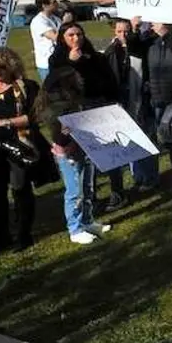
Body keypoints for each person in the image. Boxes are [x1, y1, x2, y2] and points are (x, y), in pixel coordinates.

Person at [0, 48, 51, 254]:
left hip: (19, 146)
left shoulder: (26, 87)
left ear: (10, 65)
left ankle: (23, 234)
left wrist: (2, 122)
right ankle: (0, 236)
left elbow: (36, 117)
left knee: (20, 188)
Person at [36, 66, 112, 245]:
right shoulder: (57, 105)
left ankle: (87, 220)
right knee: (74, 190)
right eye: (74, 77)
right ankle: (75, 228)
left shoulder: (73, 99)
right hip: (69, 153)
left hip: (82, 148)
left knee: (87, 187)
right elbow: (58, 134)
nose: (80, 79)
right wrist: (64, 138)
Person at [102, 18, 159, 211]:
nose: (122, 35)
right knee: (128, 139)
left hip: (140, 98)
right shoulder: (111, 52)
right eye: (119, 31)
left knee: (145, 136)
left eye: (126, 31)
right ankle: (138, 176)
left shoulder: (141, 47)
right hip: (122, 101)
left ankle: (149, 176)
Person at [29, 0, 61, 80]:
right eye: (53, 2)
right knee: (51, 91)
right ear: (44, 5)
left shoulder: (56, 19)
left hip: (59, 61)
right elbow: (55, 37)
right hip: (46, 64)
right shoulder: (38, 21)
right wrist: (66, 22)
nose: (56, 4)